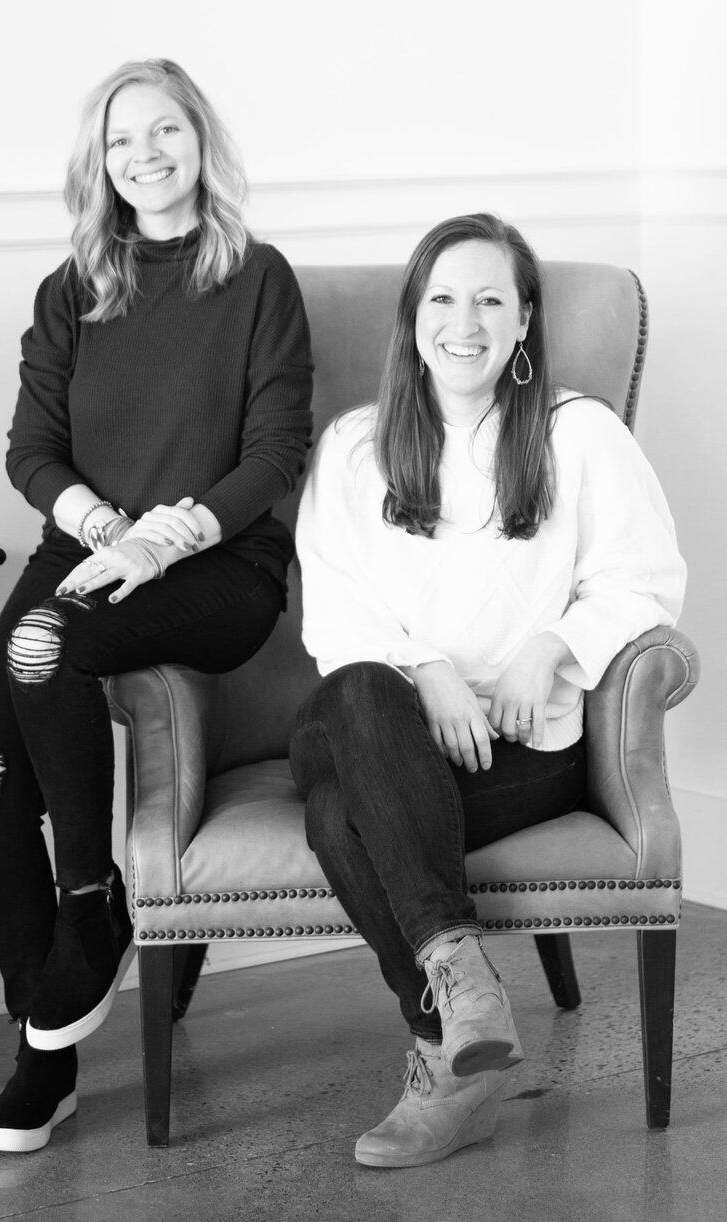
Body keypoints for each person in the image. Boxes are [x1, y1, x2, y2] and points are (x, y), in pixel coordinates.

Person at [0, 58, 312, 1153]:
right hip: (87, 548)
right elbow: (31, 448)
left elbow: (273, 454)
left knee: (37, 645)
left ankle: (89, 900)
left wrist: (165, 535)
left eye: (165, 132)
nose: (144, 156)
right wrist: (99, 523)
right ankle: (46, 1045)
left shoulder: (257, 279)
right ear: (97, 163)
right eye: (121, 141)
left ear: (201, 142)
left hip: (217, 566)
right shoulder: (74, 288)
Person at [290, 213, 685, 1169]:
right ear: (411, 318)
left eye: (489, 299)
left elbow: (648, 582)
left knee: (343, 817)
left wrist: (547, 646)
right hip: (373, 718)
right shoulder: (355, 446)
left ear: (522, 323)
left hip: (519, 747)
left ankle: (449, 1055)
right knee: (357, 693)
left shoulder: (578, 434)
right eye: (441, 298)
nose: (461, 322)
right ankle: (462, 979)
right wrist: (426, 673)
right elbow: (333, 612)